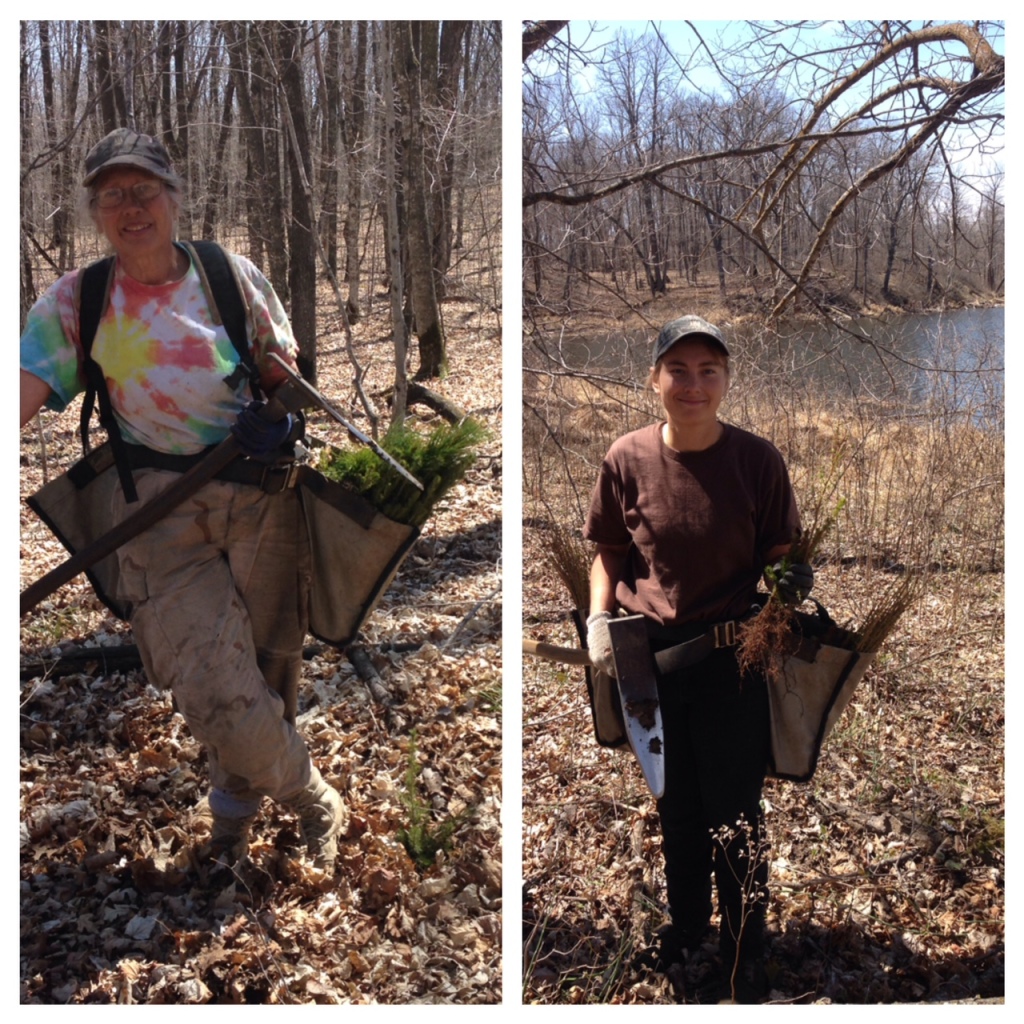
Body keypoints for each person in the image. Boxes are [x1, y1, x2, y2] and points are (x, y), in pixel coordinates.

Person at [19, 128, 347, 870]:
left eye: (143, 191)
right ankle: (311, 797)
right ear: (97, 212)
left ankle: (231, 824)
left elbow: (283, 377)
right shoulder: (81, 300)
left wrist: (282, 418)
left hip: (261, 498)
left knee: (264, 671)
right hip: (158, 513)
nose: (130, 207)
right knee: (208, 677)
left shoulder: (230, 276)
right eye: (112, 196)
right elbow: (23, 390)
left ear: (173, 196)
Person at [582, 315, 813, 1002]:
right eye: (678, 370)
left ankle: (746, 953)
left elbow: (781, 558)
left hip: (731, 663)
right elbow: (608, 553)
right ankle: (686, 933)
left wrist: (790, 585)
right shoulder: (625, 458)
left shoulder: (757, 461)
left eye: (708, 370)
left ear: (727, 380)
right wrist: (598, 618)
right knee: (675, 808)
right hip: (646, 666)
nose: (693, 385)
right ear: (654, 379)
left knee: (735, 815)